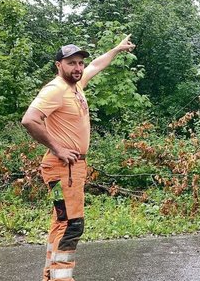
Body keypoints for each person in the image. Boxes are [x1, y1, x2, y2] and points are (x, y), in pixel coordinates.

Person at [21, 35, 136, 281]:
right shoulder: (56, 89)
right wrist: (58, 148)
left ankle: (50, 276)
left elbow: (96, 65)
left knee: (61, 221)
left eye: (80, 63)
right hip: (64, 167)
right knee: (72, 225)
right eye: (71, 63)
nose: (78, 67)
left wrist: (115, 50)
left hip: (67, 168)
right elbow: (30, 119)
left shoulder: (76, 85)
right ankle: (62, 278)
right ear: (59, 65)